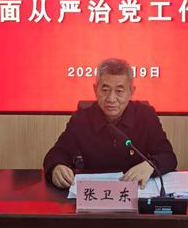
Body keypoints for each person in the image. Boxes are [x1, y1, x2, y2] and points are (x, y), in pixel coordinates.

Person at [44, 58, 177, 189]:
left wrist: (151, 165)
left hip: (136, 190)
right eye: (105, 90)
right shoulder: (82, 118)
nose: (111, 99)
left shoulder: (145, 116)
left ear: (131, 92)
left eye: (119, 91)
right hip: (94, 192)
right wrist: (57, 166)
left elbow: (168, 156)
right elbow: (57, 152)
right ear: (95, 90)